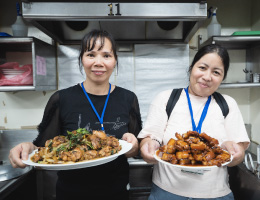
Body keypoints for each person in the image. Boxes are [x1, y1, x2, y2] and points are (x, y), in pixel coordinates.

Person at [9, 29, 142, 200]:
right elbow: (43, 149)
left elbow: (136, 149)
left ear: (115, 60)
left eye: (106, 55)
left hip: (116, 193)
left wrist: (134, 146)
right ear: (81, 59)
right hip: (71, 193)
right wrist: (27, 148)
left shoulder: (128, 98)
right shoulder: (62, 99)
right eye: (91, 54)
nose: (99, 62)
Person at [138, 44, 250, 200]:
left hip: (215, 195)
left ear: (222, 78)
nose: (207, 77)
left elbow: (237, 152)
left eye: (216, 72)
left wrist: (234, 152)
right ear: (191, 68)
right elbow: (151, 137)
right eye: (202, 68)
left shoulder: (227, 104)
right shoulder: (166, 98)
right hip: (166, 192)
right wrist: (149, 145)